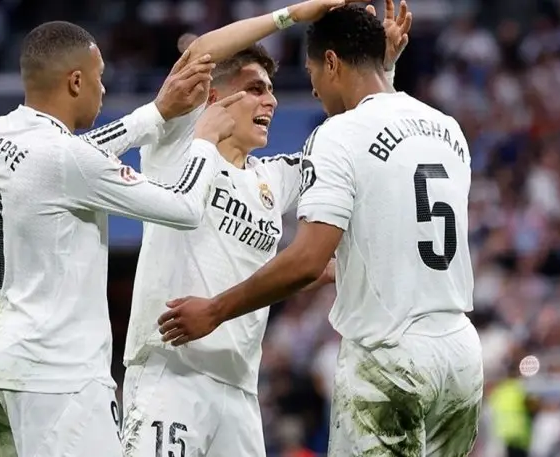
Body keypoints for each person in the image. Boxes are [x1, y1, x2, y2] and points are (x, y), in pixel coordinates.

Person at [158, 5, 484, 456]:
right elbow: (387, 167)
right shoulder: (447, 129)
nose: (313, 90)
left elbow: (308, 259)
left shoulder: (338, 135)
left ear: (331, 62)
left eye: (312, 73)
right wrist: (383, 67)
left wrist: (215, 309)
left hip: (390, 358)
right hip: (460, 356)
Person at [121, 1, 409, 456]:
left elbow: (355, 137)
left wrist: (379, 70)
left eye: (271, 91)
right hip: (171, 374)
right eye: (255, 89)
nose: (270, 101)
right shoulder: (179, 148)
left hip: (239, 390)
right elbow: (200, 52)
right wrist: (292, 15)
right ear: (213, 97)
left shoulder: (273, 178)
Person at [0, 21, 245, 457]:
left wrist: (156, 113)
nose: (104, 89)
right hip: (58, 379)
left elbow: (81, 156)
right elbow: (185, 208)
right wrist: (205, 141)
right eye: (100, 78)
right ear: (76, 81)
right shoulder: (66, 157)